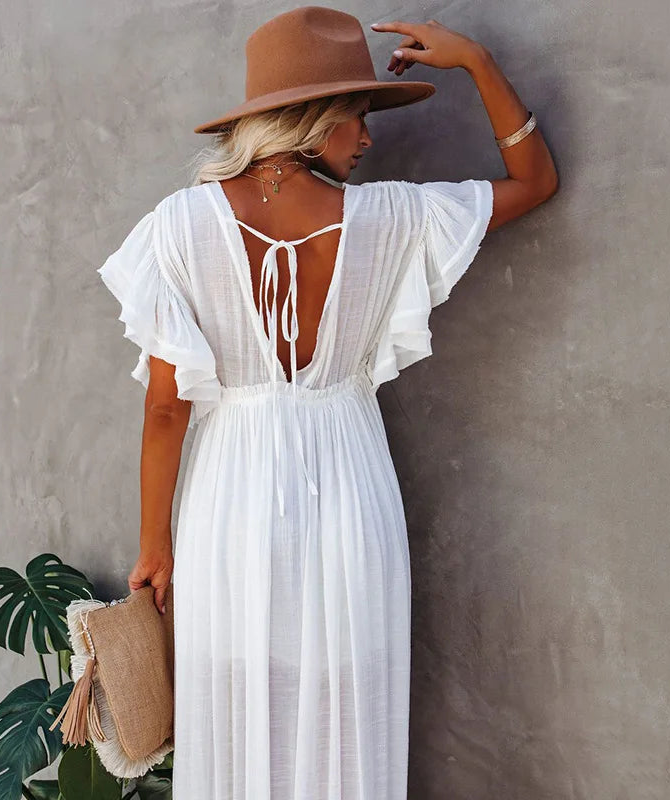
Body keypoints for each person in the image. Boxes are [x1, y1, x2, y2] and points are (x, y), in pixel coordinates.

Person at [97, 6, 558, 799]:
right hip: (350, 493)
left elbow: (168, 409)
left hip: (228, 505)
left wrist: (155, 545)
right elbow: (536, 181)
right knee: (344, 713)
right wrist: (477, 62)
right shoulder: (391, 220)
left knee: (238, 706)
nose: (368, 138)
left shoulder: (179, 227)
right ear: (312, 120)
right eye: (357, 116)